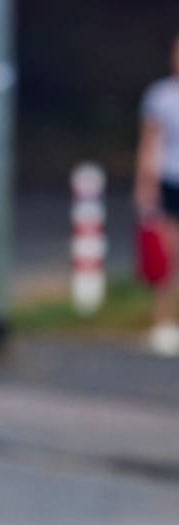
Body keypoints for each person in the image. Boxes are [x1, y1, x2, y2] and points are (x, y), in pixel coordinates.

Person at [136, 33, 179, 356]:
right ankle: (163, 322)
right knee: (167, 254)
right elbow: (150, 143)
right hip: (170, 179)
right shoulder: (161, 96)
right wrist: (145, 185)